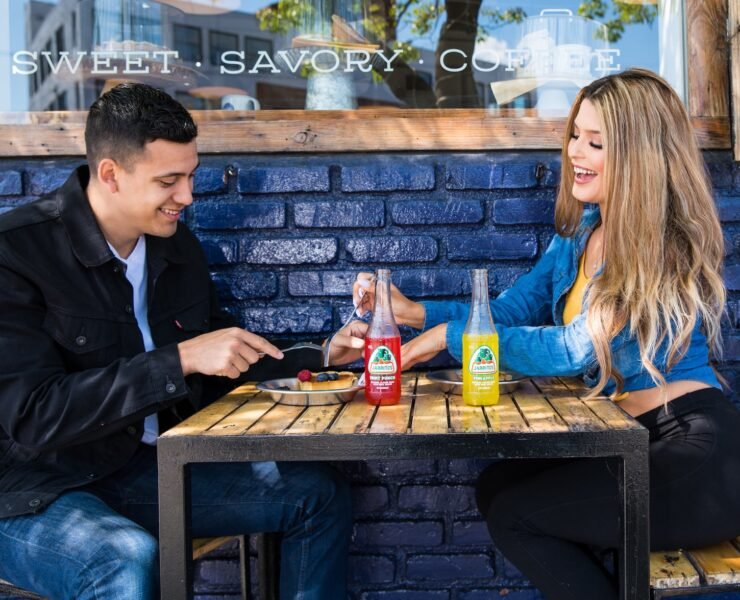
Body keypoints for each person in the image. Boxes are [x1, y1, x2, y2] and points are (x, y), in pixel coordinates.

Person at [345, 69, 740, 599]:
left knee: (518, 513)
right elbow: (510, 309)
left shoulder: (657, 248)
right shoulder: (580, 236)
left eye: (596, 142)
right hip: (627, 439)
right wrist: (414, 313)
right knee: (498, 485)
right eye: (575, 134)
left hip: (692, 450)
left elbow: (576, 348)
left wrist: (446, 338)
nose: (576, 151)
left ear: (641, 158)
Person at [0, 83, 351, 600]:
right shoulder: (17, 252)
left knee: (316, 494)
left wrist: (320, 357)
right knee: (122, 558)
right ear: (111, 175)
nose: (186, 197)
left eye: (190, 176)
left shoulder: (176, 246)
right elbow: (33, 418)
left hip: (141, 468)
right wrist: (178, 359)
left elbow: (217, 358)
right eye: (169, 181)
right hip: (31, 490)